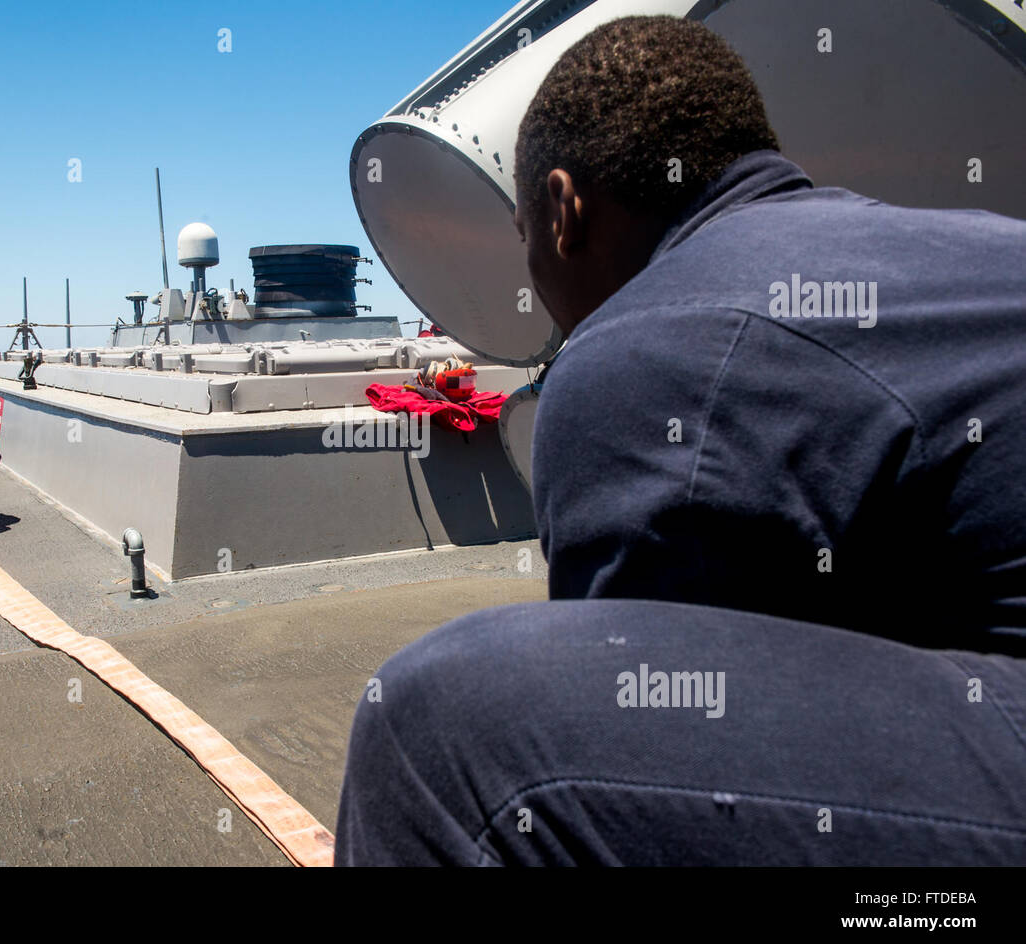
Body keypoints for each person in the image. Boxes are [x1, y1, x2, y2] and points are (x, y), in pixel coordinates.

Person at [335, 15, 1026, 864]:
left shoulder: (644, 350)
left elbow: (644, 761)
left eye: (523, 241)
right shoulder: (980, 244)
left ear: (561, 210)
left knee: (436, 732)